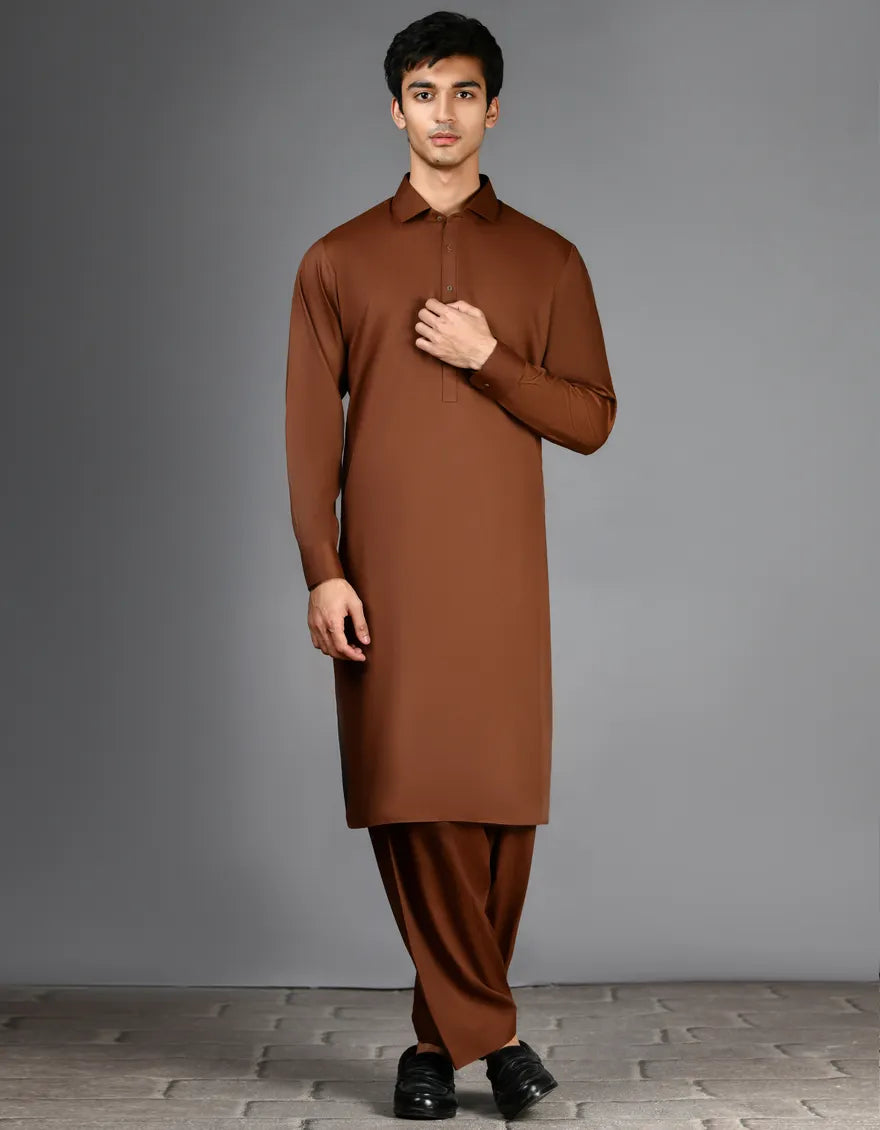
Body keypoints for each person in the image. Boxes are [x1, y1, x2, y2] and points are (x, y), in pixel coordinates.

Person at [284, 9, 617, 1120]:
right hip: (385, 572)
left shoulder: (548, 258)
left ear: (493, 110)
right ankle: (498, 1040)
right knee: (411, 795)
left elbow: (592, 418)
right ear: (396, 110)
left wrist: (489, 358)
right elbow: (307, 430)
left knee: (499, 812)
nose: (443, 113)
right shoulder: (336, 258)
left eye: (463, 93)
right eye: (423, 93)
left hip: (501, 578)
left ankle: (435, 1049)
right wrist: (322, 566)